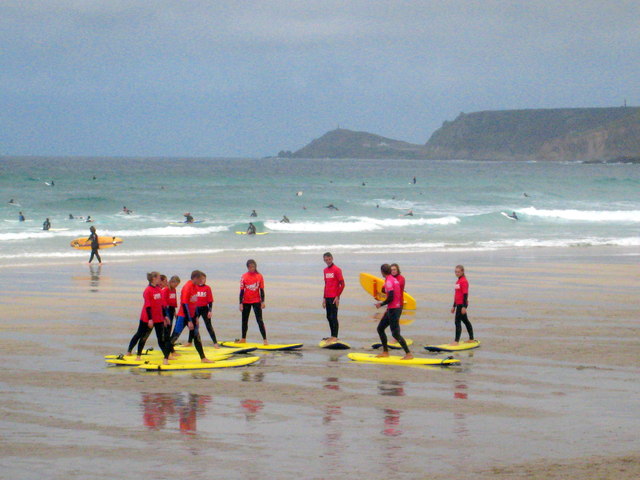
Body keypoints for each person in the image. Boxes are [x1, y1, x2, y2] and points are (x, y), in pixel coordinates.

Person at [126, 272, 173, 363]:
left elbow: (161, 305)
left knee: (161, 339)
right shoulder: (147, 290)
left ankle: (166, 357)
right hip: (147, 318)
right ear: (154, 279)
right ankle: (132, 352)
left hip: (158, 318)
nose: (160, 279)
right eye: (159, 277)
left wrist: (165, 316)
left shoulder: (159, 289)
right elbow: (148, 306)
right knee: (141, 335)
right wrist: (150, 319)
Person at [169, 270, 213, 363]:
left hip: (192, 316)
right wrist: (189, 320)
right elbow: (184, 304)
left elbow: (194, 304)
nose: (201, 281)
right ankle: (166, 356)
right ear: (195, 278)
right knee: (174, 337)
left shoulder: (195, 287)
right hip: (183, 316)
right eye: (200, 279)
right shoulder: (187, 287)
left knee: (197, 337)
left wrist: (196, 317)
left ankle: (203, 358)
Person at [375, 264, 412, 359]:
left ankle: (408, 354)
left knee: (395, 333)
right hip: (393, 308)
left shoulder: (389, 282)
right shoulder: (392, 279)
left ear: (382, 272)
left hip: (394, 309)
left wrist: (381, 304)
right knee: (380, 328)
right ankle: (385, 352)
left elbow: (391, 297)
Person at [239, 259, 267, 345]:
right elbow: (241, 291)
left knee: (259, 320)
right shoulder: (244, 276)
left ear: (255, 267)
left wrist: (262, 302)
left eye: (253, 267)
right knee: (244, 321)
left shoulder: (259, 276)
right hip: (246, 301)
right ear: (247, 267)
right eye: (250, 267)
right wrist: (240, 303)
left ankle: (265, 340)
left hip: (256, 301)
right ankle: (243, 339)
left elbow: (261, 290)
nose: (252, 268)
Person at [190, 273, 220, 348]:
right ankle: (189, 342)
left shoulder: (207, 288)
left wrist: (210, 310)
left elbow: (210, 300)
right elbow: (190, 299)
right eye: (201, 279)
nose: (202, 280)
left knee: (209, 326)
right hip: (196, 309)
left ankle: (215, 343)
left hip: (204, 309)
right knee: (193, 325)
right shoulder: (194, 287)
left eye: (204, 279)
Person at [322, 252, 345, 345]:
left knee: (334, 317)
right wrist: (324, 298)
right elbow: (326, 284)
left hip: (334, 297)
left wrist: (337, 296)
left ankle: (335, 336)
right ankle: (332, 336)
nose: (327, 261)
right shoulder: (325, 270)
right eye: (325, 260)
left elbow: (342, 284)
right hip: (327, 297)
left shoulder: (337, 270)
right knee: (328, 316)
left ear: (332, 258)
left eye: (329, 259)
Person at [450, 264, 474, 345]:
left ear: (462, 272)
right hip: (458, 304)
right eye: (455, 272)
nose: (457, 273)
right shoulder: (458, 281)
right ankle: (471, 338)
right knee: (465, 321)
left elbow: (465, 295)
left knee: (457, 322)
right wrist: (453, 306)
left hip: (462, 304)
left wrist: (464, 307)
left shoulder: (464, 281)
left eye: (458, 272)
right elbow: (456, 295)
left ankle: (456, 341)